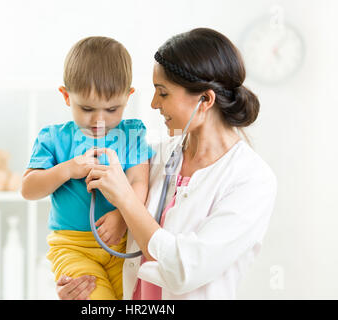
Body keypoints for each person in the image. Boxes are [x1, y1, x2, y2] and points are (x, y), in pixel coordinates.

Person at [56, 27, 277, 300]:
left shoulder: (251, 180)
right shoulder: (155, 157)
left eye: (163, 93)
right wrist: (82, 282)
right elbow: (121, 251)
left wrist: (125, 198)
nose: (152, 103)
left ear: (205, 99)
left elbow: (185, 271)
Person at [21, 36, 155, 300]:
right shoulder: (53, 138)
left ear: (128, 97)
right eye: (87, 108)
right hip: (72, 247)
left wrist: (120, 216)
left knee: (132, 298)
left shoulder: (133, 134)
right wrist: (67, 170)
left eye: (112, 108)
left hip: (121, 242)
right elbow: (28, 189)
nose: (99, 120)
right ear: (66, 96)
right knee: (96, 299)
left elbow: (140, 182)